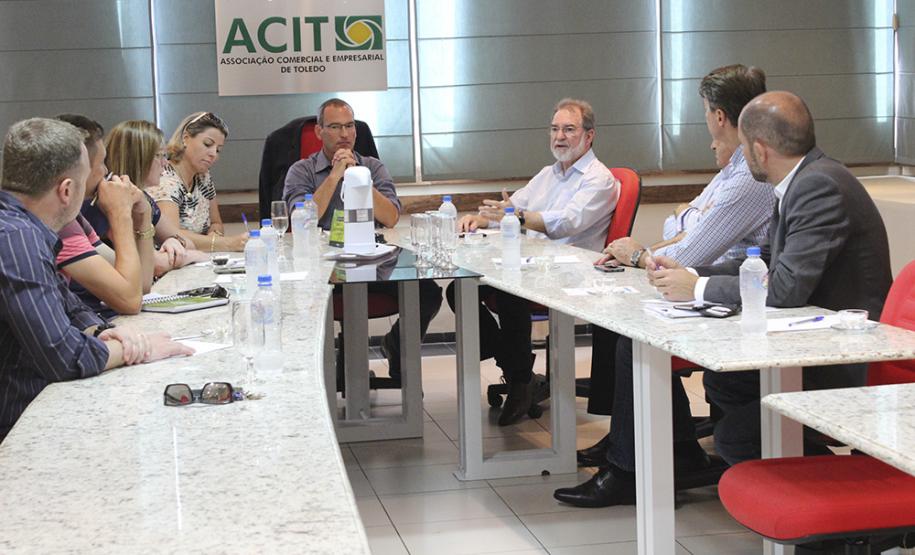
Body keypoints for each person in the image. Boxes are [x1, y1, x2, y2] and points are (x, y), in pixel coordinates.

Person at [554, 91, 893, 508]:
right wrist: (691, 275)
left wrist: (695, 289)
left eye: (743, 148)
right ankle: (797, 474)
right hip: (811, 340)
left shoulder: (818, 186)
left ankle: (844, 501)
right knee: (723, 381)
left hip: (843, 356)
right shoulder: (803, 180)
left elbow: (784, 289)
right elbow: (766, 264)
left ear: (760, 150)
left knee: (736, 436)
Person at [579, 65, 775, 437]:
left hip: (728, 296)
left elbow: (686, 253)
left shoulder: (749, 174)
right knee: (622, 323)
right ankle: (639, 448)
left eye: (705, 112)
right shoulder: (732, 167)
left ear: (719, 116)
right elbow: (680, 225)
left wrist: (641, 254)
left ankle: (648, 456)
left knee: (632, 336)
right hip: (712, 282)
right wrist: (688, 223)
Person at [0, 118, 193, 443]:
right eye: (97, 169)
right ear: (66, 190)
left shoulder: (26, 228)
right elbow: (62, 356)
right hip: (20, 426)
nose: (103, 177)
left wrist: (103, 330)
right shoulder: (17, 237)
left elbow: (67, 304)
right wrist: (137, 349)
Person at [448, 98, 619, 426]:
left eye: (569, 129)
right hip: (536, 266)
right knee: (459, 291)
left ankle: (520, 379)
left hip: (573, 273)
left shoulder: (599, 179)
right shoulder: (548, 174)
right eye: (555, 129)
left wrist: (518, 215)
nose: (560, 136)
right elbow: (512, 209)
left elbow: (568, 222)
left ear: (589, 135)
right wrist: (480, 220)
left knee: (511, 293)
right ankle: (520, 373)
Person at [283, 98, 442, 382]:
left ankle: (397, 350)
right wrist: (334, 176)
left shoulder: (373, 167)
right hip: (322, 270)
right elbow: (301, 221)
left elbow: (391, 217)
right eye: (335, 127)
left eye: (349, 126)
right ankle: (315, 380)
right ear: (319, 132)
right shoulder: (302, 171)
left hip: (371, 263)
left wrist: (360, 179)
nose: (344, 134)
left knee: (428, 292)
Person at [54, 114, 156, 316]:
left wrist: (143, 215)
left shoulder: (73, 220)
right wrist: (120, 214)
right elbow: (130, 300)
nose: (107, 170)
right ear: (80, 169)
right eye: (101, 163)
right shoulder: (58, 224)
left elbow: (142, 284)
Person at [104, 120, 209, 275]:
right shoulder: (110, 198)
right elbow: (155, 265)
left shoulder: (142, 196)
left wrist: (172, 241)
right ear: (138, 158)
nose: (165, 163)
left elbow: (188, 243)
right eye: (159, 155)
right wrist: (191, 256)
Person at [147, 112, 247, 252]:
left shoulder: (203, 177)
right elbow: (172, 235)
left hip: (198, 259)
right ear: (186, 138)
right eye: (207, 144)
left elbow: (216, 223)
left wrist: (214, 236)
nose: (213, 154)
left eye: (218, 150)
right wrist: (226, 243)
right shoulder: (164, 178)